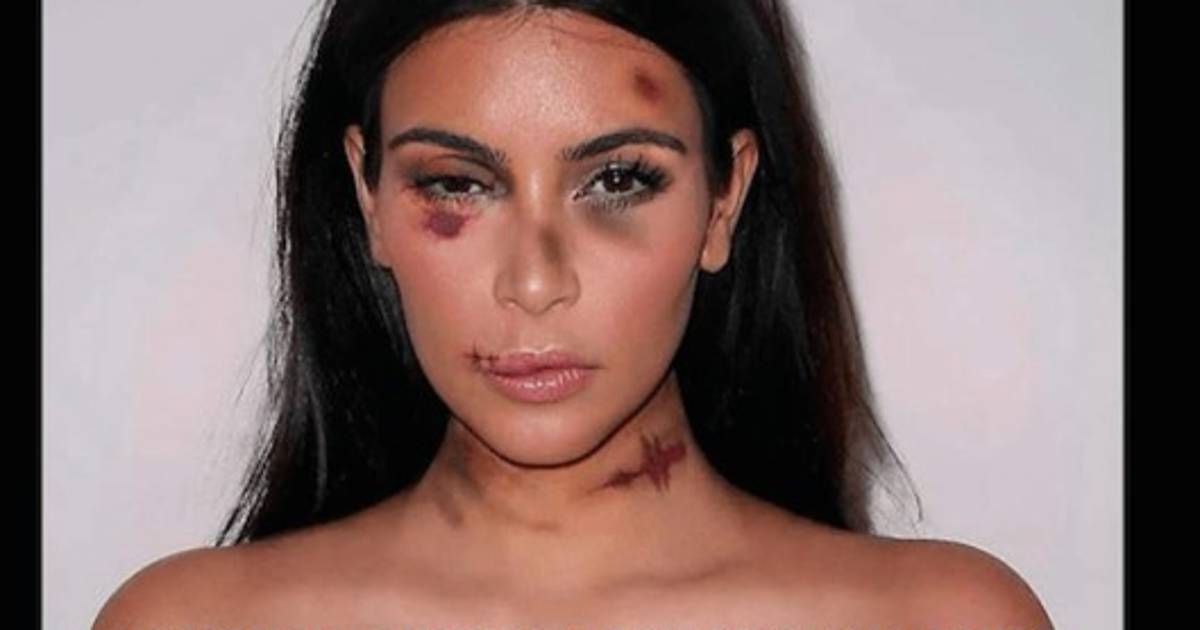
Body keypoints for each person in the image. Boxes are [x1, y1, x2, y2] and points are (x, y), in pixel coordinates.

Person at [94, 0, 1054, 627]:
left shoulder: (944, 618)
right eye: (458, 184)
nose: (535, 280)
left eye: (619, 180)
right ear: (367, 196)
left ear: (725, 199)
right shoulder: (185, 622)